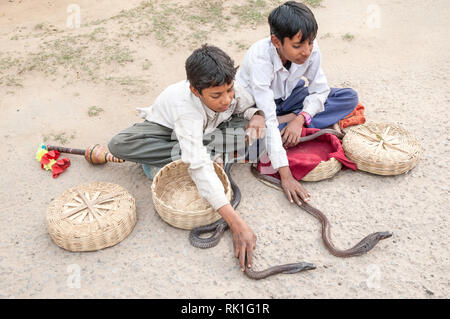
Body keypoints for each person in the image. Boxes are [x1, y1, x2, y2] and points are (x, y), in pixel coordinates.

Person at [108, 44, 266, 271]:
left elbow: (247, 107)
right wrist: (236, 223)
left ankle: (189, 154)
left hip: (209, 133)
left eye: (229, 90)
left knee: (249, 132)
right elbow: (200, 167)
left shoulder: (228, 88)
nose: (226, 99)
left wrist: (256, 115)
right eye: (216, 95)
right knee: (119, 144)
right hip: (167, 130)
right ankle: (195, 153)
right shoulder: (186, 109)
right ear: (195, 91)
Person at [236, 1, 359, 205]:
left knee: (348, 97)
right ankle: (285, 126)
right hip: (258, 107)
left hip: (290, 98)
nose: (307, 51)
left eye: (310, 43)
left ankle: (292, 124)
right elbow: (265, 114)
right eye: (298, 46)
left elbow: (320, 90)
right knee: (251, 137)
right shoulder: (260, 59)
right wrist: (286, 176)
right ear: (276, 41)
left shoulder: (310, 48)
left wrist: (300, 118)